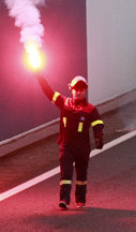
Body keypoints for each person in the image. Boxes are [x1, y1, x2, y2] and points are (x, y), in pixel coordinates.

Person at [35, 74, 104, 210]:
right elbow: (49, 92)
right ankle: (64, 199)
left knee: (81, 175)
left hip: (83, 148)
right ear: (71, 89)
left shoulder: (91, 109)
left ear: (85, 90)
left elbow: (98, 124)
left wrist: (98, 137)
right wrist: (39, 76)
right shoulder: (64, 103)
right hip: (66, 146)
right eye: (75, 89)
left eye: (81, 89)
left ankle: (80, 200)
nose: (78, 92)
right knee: (65, 173)